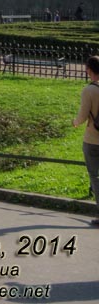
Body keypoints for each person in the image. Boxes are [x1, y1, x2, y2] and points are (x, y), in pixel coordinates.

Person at [72, 55, 99, 227]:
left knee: (95, 176)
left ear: (89, 70)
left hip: (93, 139)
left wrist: (74, 123)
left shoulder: (89, 90)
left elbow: (82, 116)